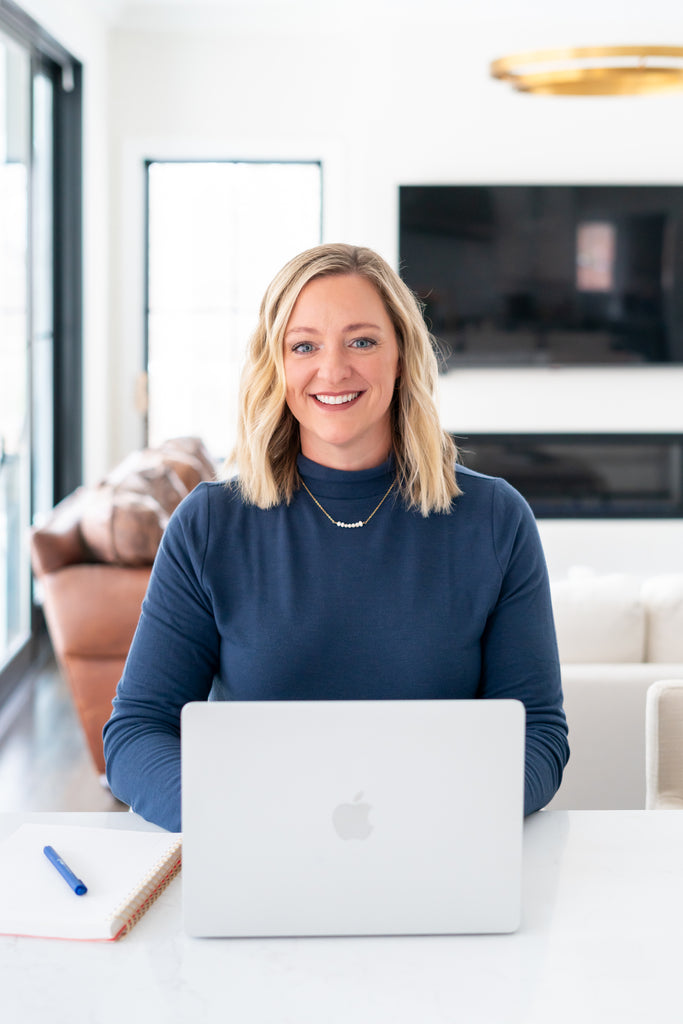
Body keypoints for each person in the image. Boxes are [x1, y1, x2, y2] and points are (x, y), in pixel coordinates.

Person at [103, 243, 569, 832]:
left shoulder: (495, 519)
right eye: (304, 346)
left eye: (362, 341)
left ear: (401, 356)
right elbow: (136, 732)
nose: (333, 370)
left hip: (439, 852)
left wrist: (431, 818)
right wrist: (238, 822)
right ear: (277, 364)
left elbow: (539, 736)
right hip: (256, 855)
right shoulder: (209, 525)